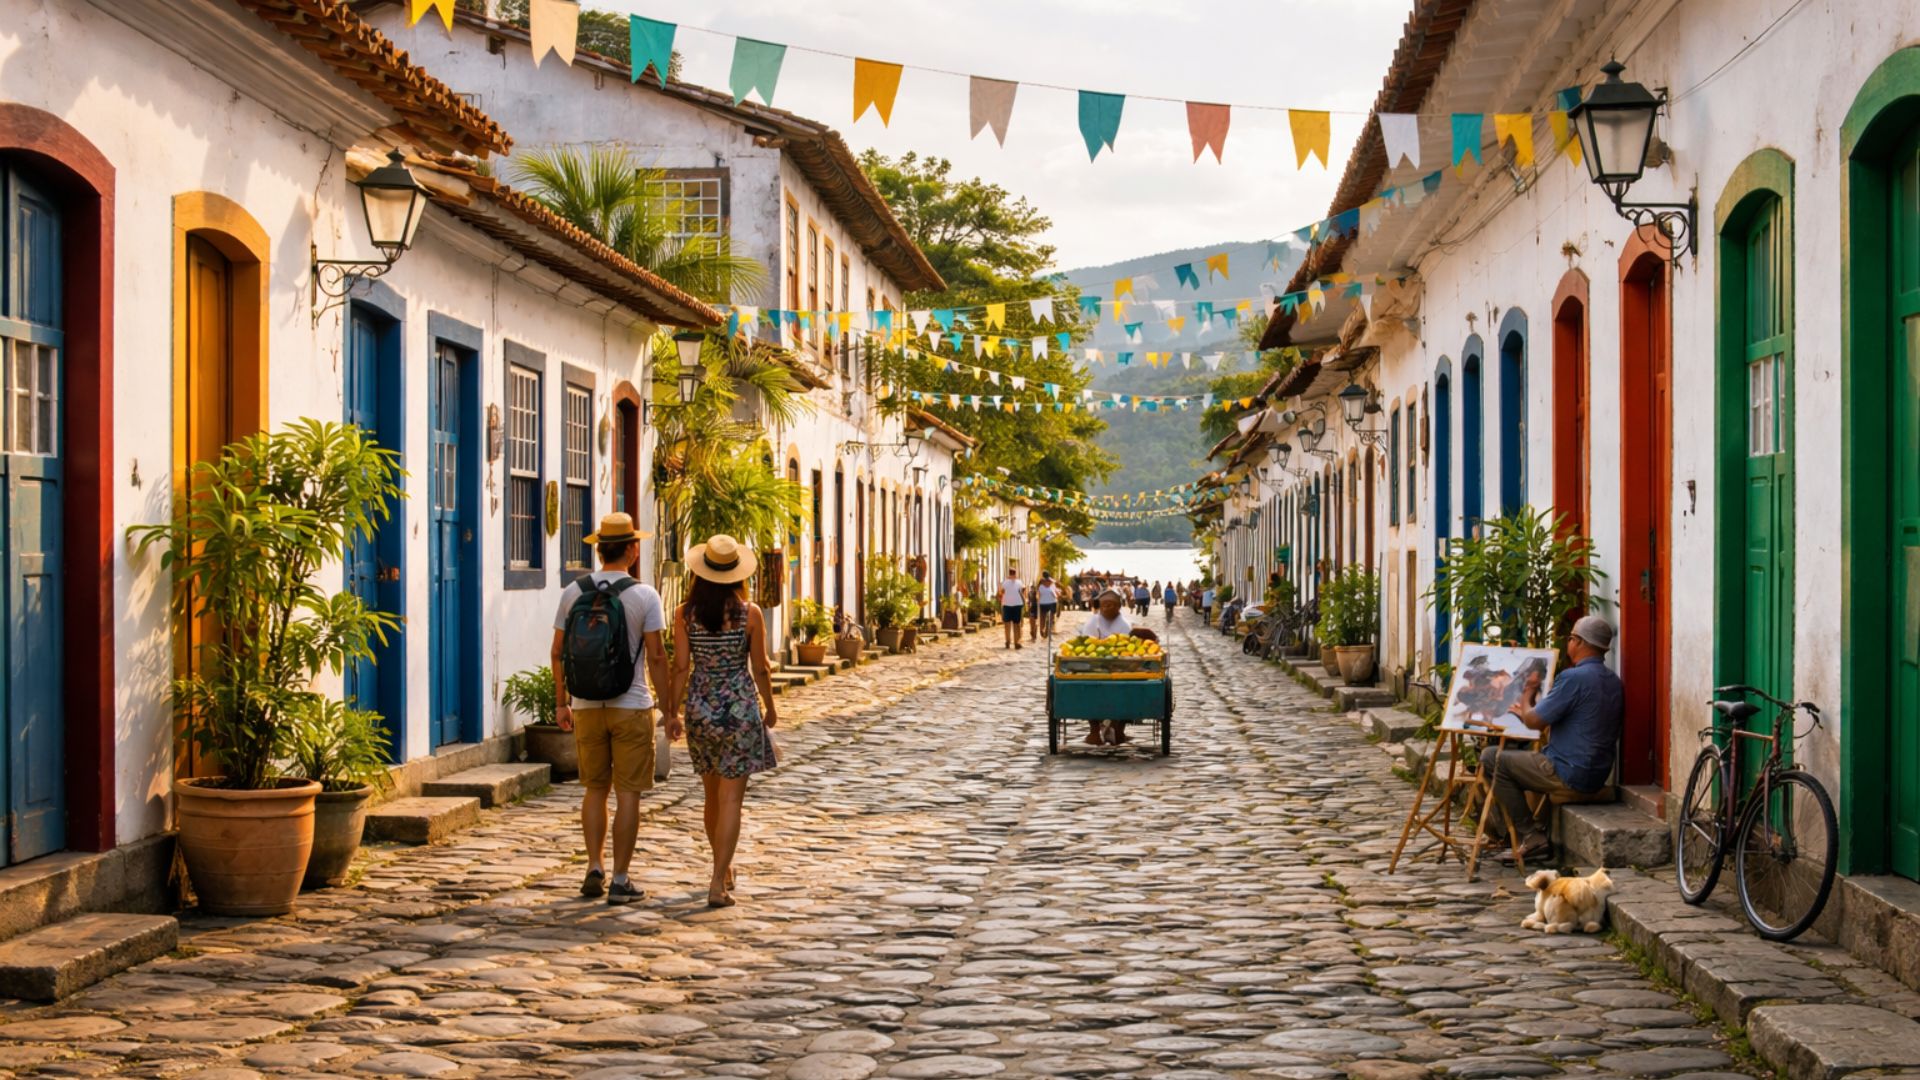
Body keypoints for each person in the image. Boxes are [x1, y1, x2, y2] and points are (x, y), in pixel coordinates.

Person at [550, 512, 669, 906]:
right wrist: (668, 708)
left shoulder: (573, 592)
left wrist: (561, 703)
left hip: (585, 706)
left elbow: (556, 653)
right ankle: (620, 878)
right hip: (631, 704)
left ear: (599, 549)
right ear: (632, 550)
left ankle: (593, 867)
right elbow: (656, 657)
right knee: (629, 794)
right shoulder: (644, 595)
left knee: (594, 790)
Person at [667, 534, 780, 907]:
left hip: (701, 710)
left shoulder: (685, 614)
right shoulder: (750, 614)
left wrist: (672, 710)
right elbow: (760, 668)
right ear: (737, 575)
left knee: (711, 796)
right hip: (739, 711)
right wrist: (770, 706)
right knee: (732, 800)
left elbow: (681, 666)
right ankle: (718, 880)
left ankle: (722, 866)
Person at [1484, 616, 1627, 863]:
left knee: (1492, 759)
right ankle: (1532, 831)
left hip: (1569, 772)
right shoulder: (1613, 681)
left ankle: (1531, 836)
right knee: (1529, 757)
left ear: (1578, 642)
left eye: (1570, 638)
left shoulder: (1574, 678)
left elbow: (1533, 721)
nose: (1568, 643)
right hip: (1597, 772)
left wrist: (1528, 694)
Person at [1078, 589, 1134, 746]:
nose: (1106, 608)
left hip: (1120, 667)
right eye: (1103, 605)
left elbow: (1128, 648)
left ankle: (1119, 729)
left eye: (1110, 605)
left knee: (1130, 689)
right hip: (1094, 667)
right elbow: (1085, 642)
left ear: (1118, 607)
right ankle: (1094, 731)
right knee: (1087, 688)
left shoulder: (1124, 625)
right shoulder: (1092, 622)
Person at [999, 565, 1026, 650]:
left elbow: (1001, 592)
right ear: (1015, 573)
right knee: (1016, 624)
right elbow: (1023, 589)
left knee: (1008, 624)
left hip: (1007, 604)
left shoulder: (1005, 582)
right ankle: (1016, 642)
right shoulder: (1019, 582)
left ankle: (1008, 641)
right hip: (1016, 604)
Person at [1035, 572, 1060, 638]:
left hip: (1043, 603)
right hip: (1052, 602)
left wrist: (1038, 600)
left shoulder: (1040, 585)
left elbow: (1038, 595)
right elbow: (1057, 594)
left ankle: (1042, 630)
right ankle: (1049, 627)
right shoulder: (1053, 584)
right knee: (1051, 617)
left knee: (1042, 617)